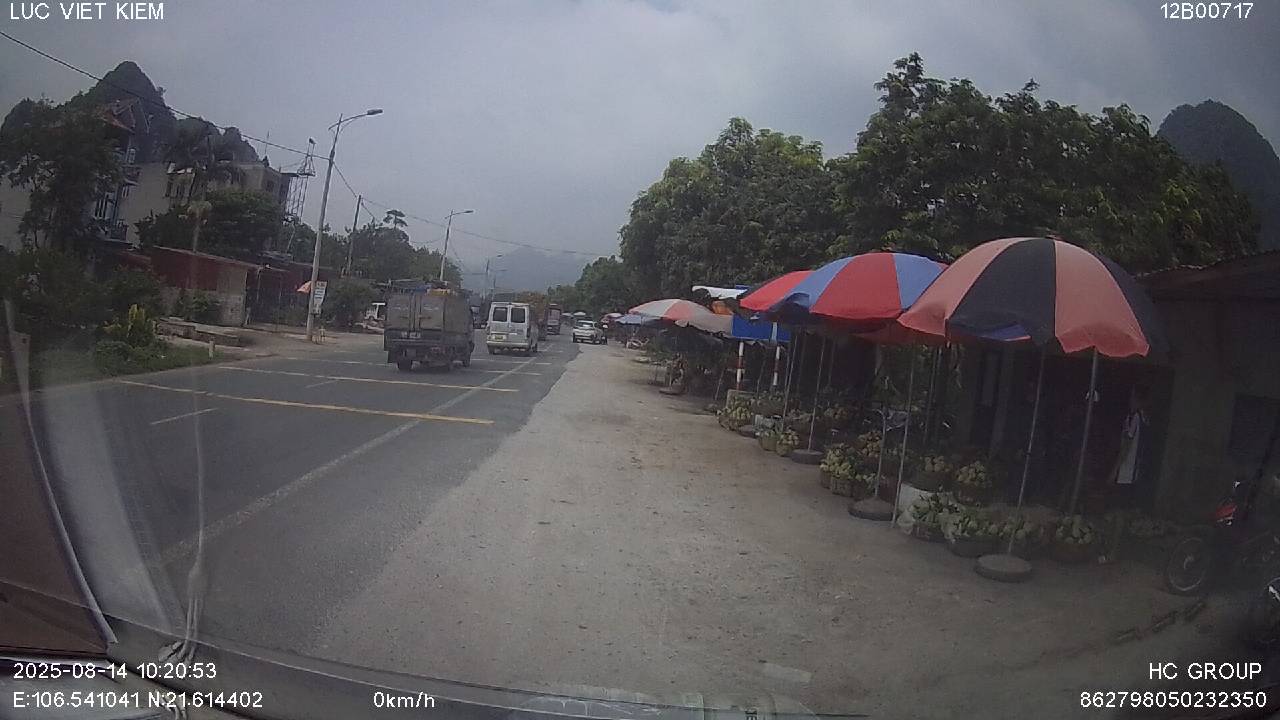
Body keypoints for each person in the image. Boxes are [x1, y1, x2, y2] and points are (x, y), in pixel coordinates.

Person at [1100, 386, 1149, 563]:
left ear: (1138, 400)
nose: (1130, 401)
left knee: (1118, 513)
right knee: (1120, 513)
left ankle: (1112, 552)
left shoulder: (1135, 419)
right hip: (1134, 473)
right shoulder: (1145, 419)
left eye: (1133, 398)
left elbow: (1126, 447)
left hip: (1126, 472)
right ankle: (1113, 547)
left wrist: (1114, 471)